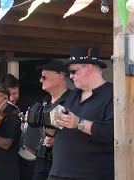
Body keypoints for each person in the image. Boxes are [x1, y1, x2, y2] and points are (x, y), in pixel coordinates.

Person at [46, 46, 114, 179]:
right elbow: (65, 126)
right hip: (58, 173)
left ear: (88, 67)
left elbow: (113, 133)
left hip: (90, 175)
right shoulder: (74, 94)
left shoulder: (112, 94)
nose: (70, 76)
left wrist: (79, 123)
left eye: (73, 71)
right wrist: (50, 130)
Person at [32, 60, 71, 180]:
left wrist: (57, 139)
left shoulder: (73, 101)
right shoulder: (44, 102)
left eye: (44, 77)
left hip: (64, 165)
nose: (40, 80)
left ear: (61, 76)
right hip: (41, 164)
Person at [0, 73, 35, 180]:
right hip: (6, 154)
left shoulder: (28, 103)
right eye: (8, 95)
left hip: (25, 153)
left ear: (18, 89)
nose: (11, 98)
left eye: (14, 93)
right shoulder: (0, 108)